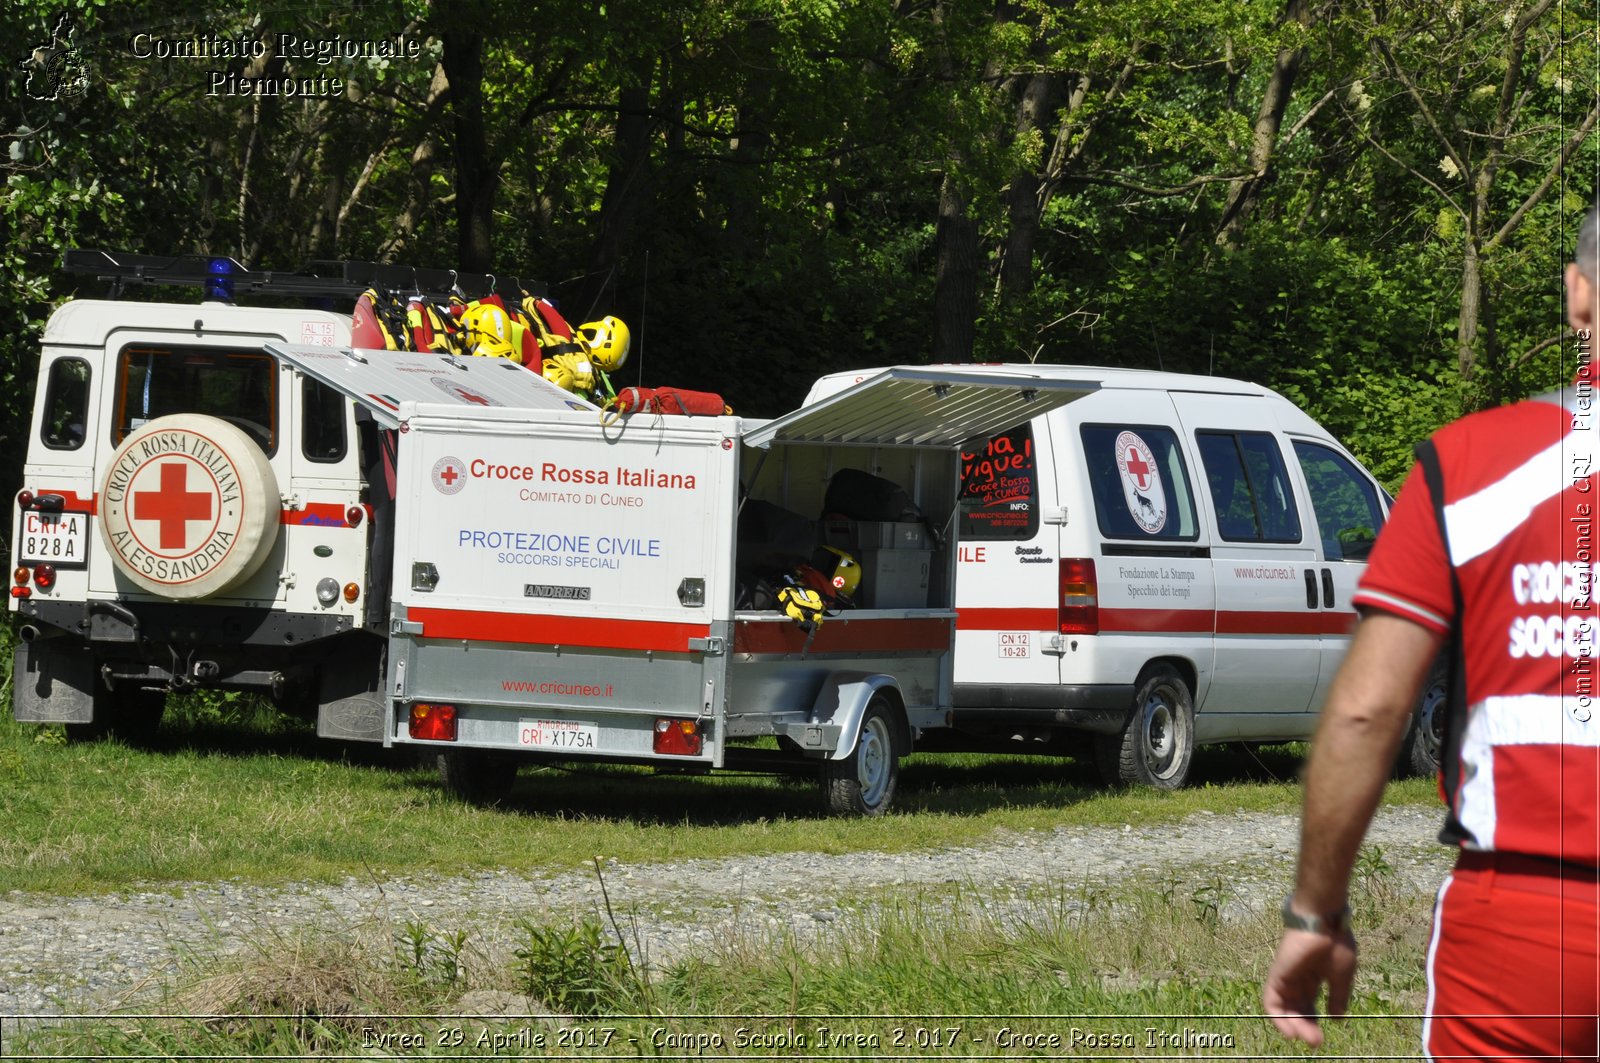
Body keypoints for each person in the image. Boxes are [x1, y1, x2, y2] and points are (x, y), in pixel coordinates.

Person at [1263, 201, 1600, 1060]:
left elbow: (1367, 711)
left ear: (1577, 296)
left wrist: (1316, 910)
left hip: (1532, 925)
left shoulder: (1473, 466)